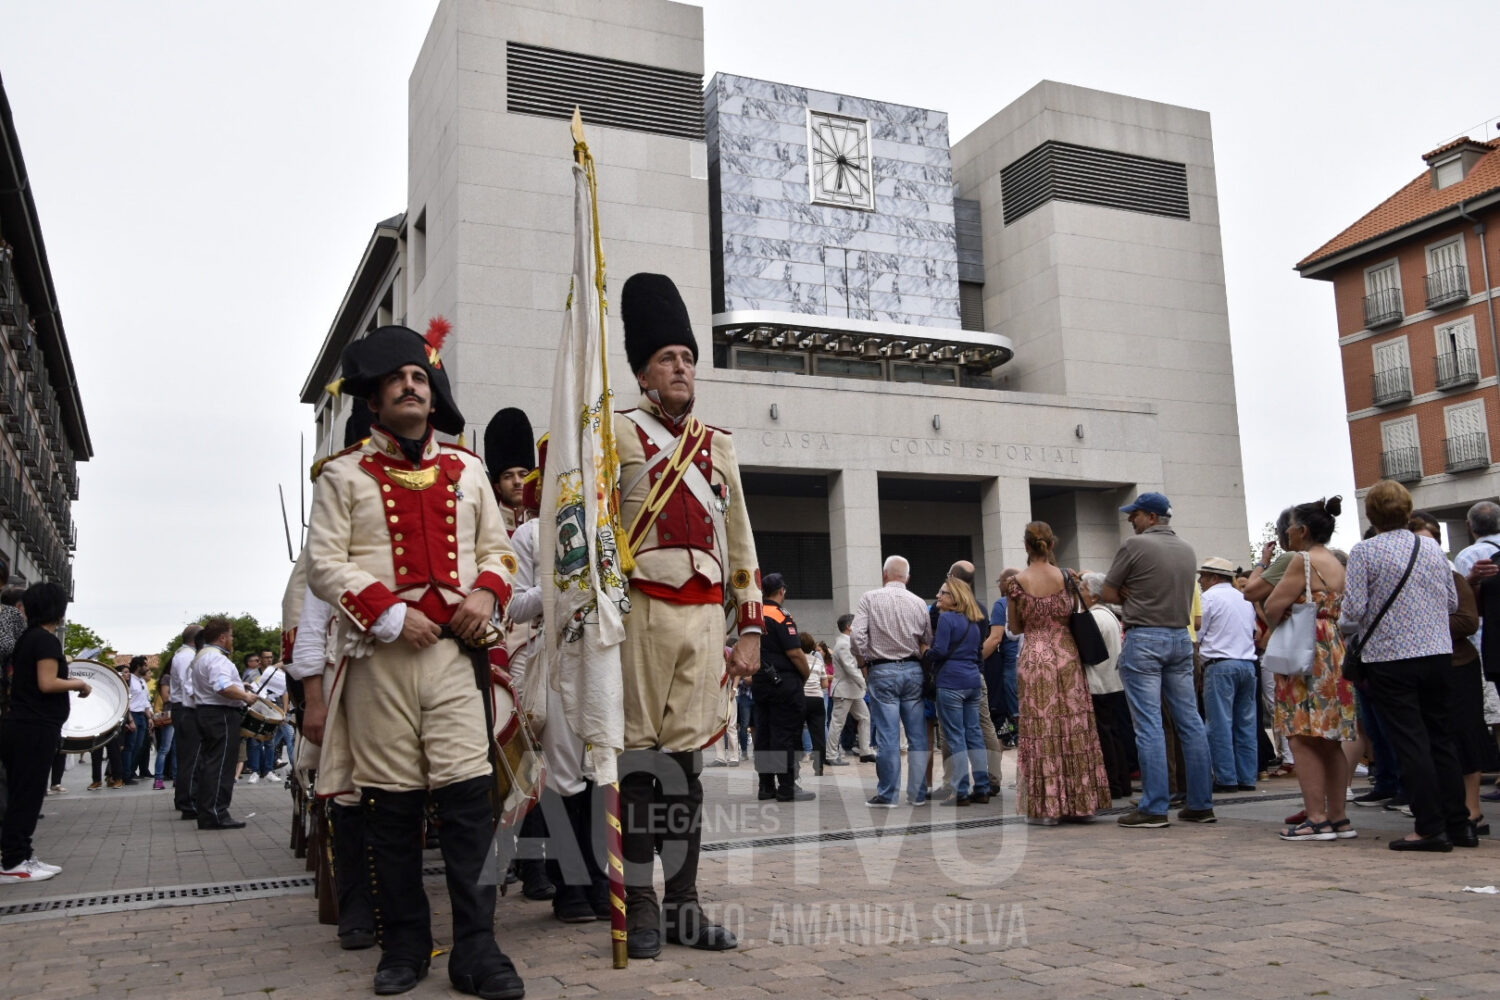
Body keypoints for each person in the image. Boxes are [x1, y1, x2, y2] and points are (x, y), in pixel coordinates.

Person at [306, 321, 524, 998]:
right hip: (380, 658)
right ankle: (403, 942)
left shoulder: (468, 469)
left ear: (434, 396)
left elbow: (500, 551)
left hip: (457, 658)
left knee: (466, 805)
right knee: (391, 810)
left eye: (419, 378)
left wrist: (486, 596)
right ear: (373, 399)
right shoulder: (343, 475)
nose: (409, 385)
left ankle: (478, 949)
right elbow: (323, 564)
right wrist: (392, 614)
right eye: (397, 378)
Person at [612, 274, 763, 962]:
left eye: (688, 358)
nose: (683, 368)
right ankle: (640, 906)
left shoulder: (717, 445)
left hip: (704, 620)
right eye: (668, 358)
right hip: (639, 612)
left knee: (687, 770)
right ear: (643, 370)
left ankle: (685, 904)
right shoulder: (612, 435)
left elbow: (741, 543)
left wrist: (751, 627)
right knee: (640, 768)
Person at [1341, 483, 1466, 851]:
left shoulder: (1364, 551)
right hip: (1438, 653)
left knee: (1410, 741)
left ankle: (1428, 827)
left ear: (1371, 515)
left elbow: (1352, 613)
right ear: (1408, 511)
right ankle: (1460, 824)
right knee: (1441, 738)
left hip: (1390, 658)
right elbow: (1452, 602)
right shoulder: (1430, 546)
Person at [1102, 491, 1214, 829]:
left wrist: (1134, 596)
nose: (1129, 520)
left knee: (1149, 725)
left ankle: (1154, 806)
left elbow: (1107, 592)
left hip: (1145, 636)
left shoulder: (1134, 547)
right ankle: (1200, 803)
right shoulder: (1187, 549)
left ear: (1150, 516)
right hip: (1181, 639)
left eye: (1134, 515)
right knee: (1189, 721)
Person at [1264, 497, 1357, 842]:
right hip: (1335, 649)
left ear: (1301, 530)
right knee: (1330, 739)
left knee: (1301, 737)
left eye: (1289, 527)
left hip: (1305, 652)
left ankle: (1315, 818)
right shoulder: (1335, 562)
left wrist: (1281, 611)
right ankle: (1338, 817)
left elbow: (1273, 606)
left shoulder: (1300, 560)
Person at [1006, 522, 1110, 823]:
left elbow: (1015, 627)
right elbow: (1075, 613)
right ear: (1052, 545)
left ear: (1027, 546)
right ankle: (1081, 803)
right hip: (1066, 655)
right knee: (1074, 726)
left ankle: (1046, 807)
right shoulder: (1067, 577)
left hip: (1035, 656)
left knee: (1041, 727)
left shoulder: (1016, 582)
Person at [1410, 510, 1496, 834]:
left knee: (1466, 734)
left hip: (1458, 664)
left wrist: (1422, 627)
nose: (1424, 548)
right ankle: (1451, 806)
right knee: (1437, 738)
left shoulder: (1450, 574)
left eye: (1429, 540)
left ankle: (1473, 809)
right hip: (1428, 666)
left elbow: (1468, 621)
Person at [0, 582, 88, 884]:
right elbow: (48, 683)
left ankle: (20, 855)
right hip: (34, 728)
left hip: (21, 726)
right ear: (58, 609)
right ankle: (13, 862)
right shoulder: (46, 641)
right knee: (27, 797)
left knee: (21, 795)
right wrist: (80, 684)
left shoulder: (28, 638)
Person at [852, 555, 933, 808]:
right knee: (918, 736)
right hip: (912, 669)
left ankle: (888, 794)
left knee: (888, 736)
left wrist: (864, 662)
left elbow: (856, 637)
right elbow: (927, 638)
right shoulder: (919, 602)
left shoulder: (869, 598)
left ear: (884, 574)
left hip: (882, 670)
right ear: (907, 577)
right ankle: (918, 793)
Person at [1196, 557, 1259, 793]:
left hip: (1220, 664)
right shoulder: (1244, 599)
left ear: (1214, 577)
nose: (1200, 581)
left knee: (1219, 724)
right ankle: (1247, 776)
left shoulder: (1209, 598)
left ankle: (1226, 778)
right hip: (1247, 663)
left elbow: (1200, 633)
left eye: (1203, 576)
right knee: (1246, 723)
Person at [189, 617, 260, 830]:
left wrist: (239, 685)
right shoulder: (218, 659)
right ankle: (217, 813)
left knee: (210, 762)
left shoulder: (202, 656)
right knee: (221, 765)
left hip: (206, 712)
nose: (232, 639)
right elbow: (222, 687)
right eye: (231, 635)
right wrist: (245, 697)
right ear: (222, 637)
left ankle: (208, 811)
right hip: (220, 715)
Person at [931, 576, 990, 806]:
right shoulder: (974, 621)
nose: (939, 596)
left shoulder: (947, 620)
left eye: (943, 593)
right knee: (974, 734)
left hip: (951, 682)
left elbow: (940, 650)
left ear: (954, 598)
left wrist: (926, 651)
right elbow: (978, 654)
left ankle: (961, 791)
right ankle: (982, 787)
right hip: (972, 681)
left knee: (955, 736)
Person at [751, 574, 811, 802]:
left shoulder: (755, 614)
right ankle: (787, 787)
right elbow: (795, 652)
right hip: (783, 682)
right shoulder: (780, 614)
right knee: (784, 734)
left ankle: (766, 786)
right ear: (781, 591)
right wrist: (804, 674)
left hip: (760, 681)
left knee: (764, 734)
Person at [1079, 572, 1132, 799]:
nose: (1079, 592)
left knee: (1104, 737)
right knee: (1115, 735)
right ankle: (1122, 782)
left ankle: (1112, 784)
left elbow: (1089, 654)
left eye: (1082, 588)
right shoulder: (1109, 615)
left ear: (1092, 594)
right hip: (1113, 683)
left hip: (1099, 684)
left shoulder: (1094, 617)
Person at [826, 614, 874, 765]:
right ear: (849, 627)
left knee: (864, 718)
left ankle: (865, 751)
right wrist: (864, 683)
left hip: (852, 690)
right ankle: (831, 755)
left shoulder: (846, 642)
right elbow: (850, 668)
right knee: (838, 722)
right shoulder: (843, 644)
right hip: (845, 690)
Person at [981, 569, 1022, 748]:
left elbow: (995, 638)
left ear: (1007, 582)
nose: (998, 585)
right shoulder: (1031, 599)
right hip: (1034, 661)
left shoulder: (1002, 604)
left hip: (1012, 664)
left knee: (1016, 714)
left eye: (999, 581)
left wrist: (975, 660)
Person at [169, 624, 204, 818]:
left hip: (182, 707)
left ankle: (184, 798)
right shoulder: (186, 656)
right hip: (185, 708)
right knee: (191, 756)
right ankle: (187, 801)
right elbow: (187, 684)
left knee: (188, 756)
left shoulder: (184, 654)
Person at [118, 656, 151, 786]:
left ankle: (131, 771)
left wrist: (149, 717)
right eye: (145, 665)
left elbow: (145, 700)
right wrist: (129, 719)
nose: (147, 668)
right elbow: (126, 700)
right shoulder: (130, 680)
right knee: (130, 746)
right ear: (139, 666)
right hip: (132, 715)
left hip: (142, 715)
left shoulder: (142, 681)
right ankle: (125, 775)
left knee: (139, 746)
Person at [151, 664, 175, 789]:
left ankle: (177, 778)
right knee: (165, 748)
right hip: (170, 716)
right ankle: (158, 779)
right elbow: (166, 697)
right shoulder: (167, 677)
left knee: (176, 750)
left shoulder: (177, 677)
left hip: (179, 715)